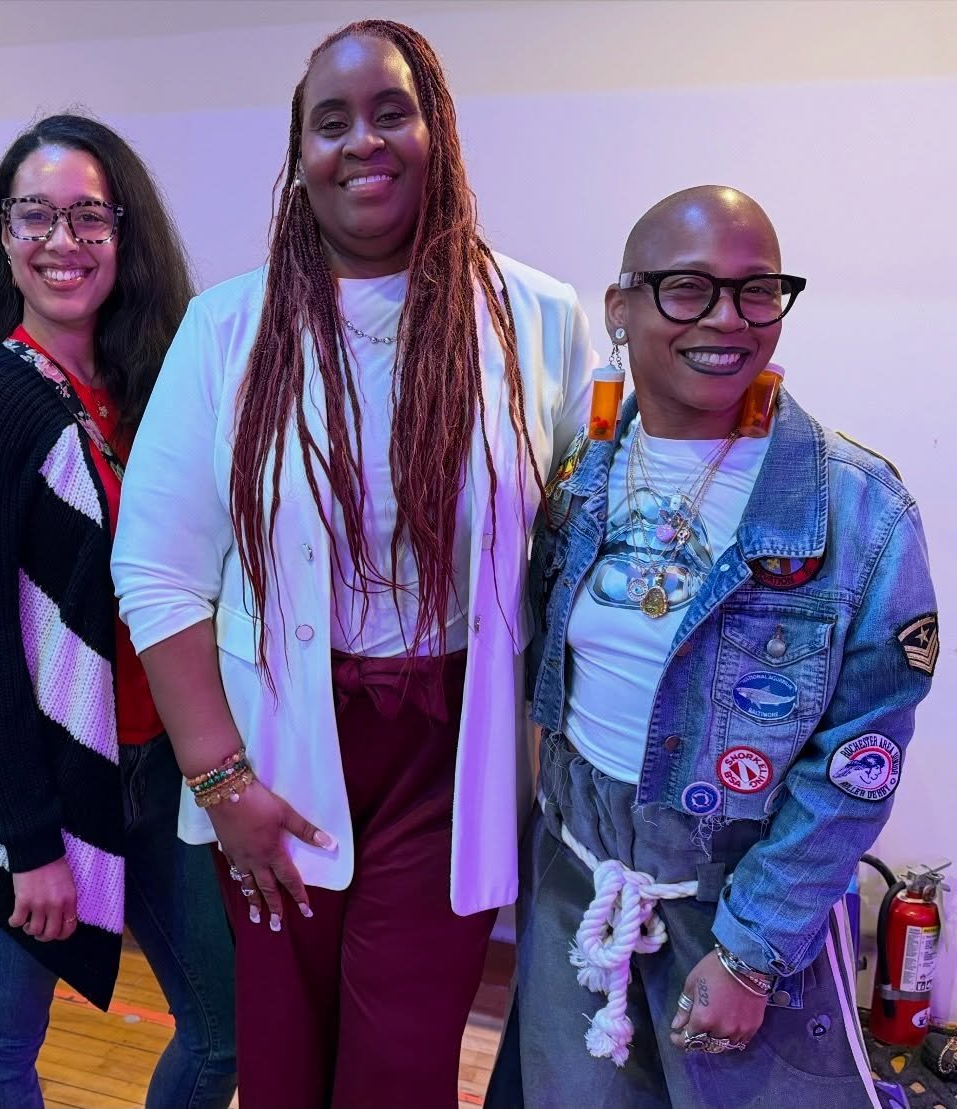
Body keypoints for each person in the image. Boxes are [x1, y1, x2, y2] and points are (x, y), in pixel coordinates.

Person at [110, 20, 596, 1108]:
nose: (361, 142)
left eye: (391, 110)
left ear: (440, 132)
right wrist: (222, 780)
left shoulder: (533, 319)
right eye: (330, 122)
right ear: (301, 153)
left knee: (401, 1067)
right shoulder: (230, 327)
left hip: (448, 747)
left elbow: (582, 537)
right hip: (279, 743)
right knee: (282, 1061)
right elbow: (156, 571)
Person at [489, 186, 938, 1108]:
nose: (728, 319)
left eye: (756, 290)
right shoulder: (579, 478)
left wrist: (752, 950)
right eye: (687, 289)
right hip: (581, 886)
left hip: (743, 908)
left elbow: (860, 761)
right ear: (620, 309)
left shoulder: (857, 510)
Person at [0, 114, 237, 1109]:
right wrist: (32, 842)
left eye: (88, 215)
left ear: (124, 231)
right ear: (2, 236)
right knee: (6, 1045)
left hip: (159, 769)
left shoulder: (155, 386)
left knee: (227, 1034)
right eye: (36, 215)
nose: (63, 239)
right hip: (33, 785)